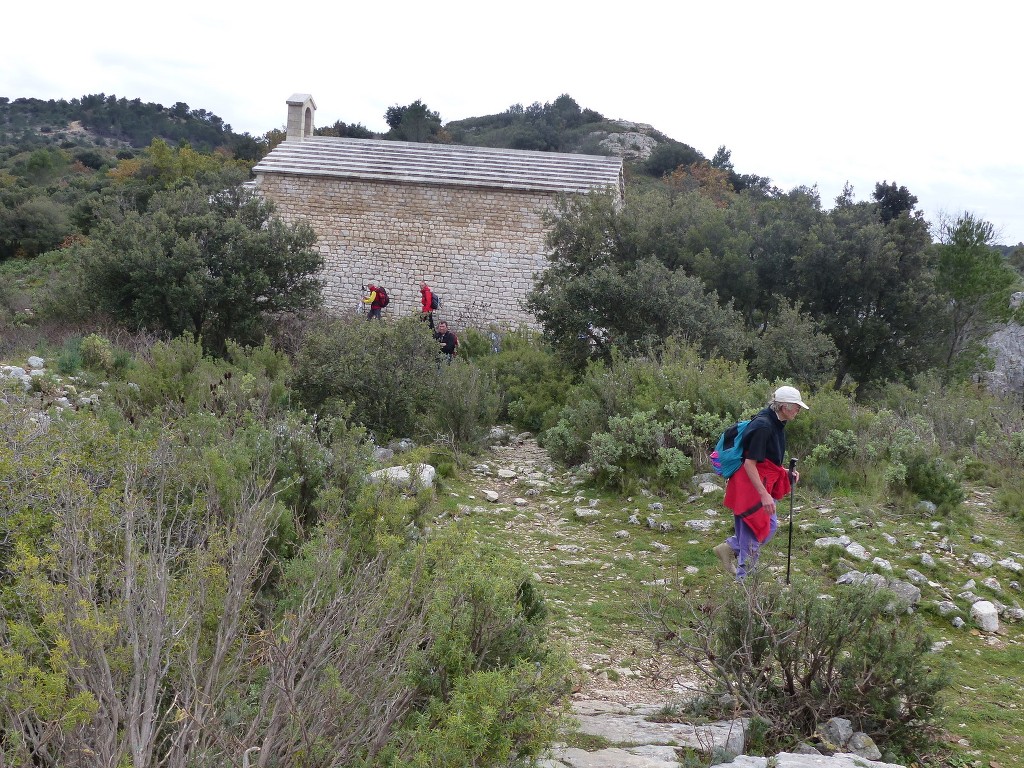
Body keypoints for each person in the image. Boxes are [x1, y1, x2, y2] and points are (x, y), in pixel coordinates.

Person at [712, 385, 808, 580]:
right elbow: (750, 463)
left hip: (757, 481)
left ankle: (730, 549)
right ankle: (745, 585)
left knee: (760, 529)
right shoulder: (764, 426)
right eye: (796, 406)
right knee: (757, 528)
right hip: (750, 485)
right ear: (784, 407)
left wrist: (785, 472)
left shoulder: (776, 422)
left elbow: (766, 459)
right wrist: (764, 494)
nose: (798, 410)